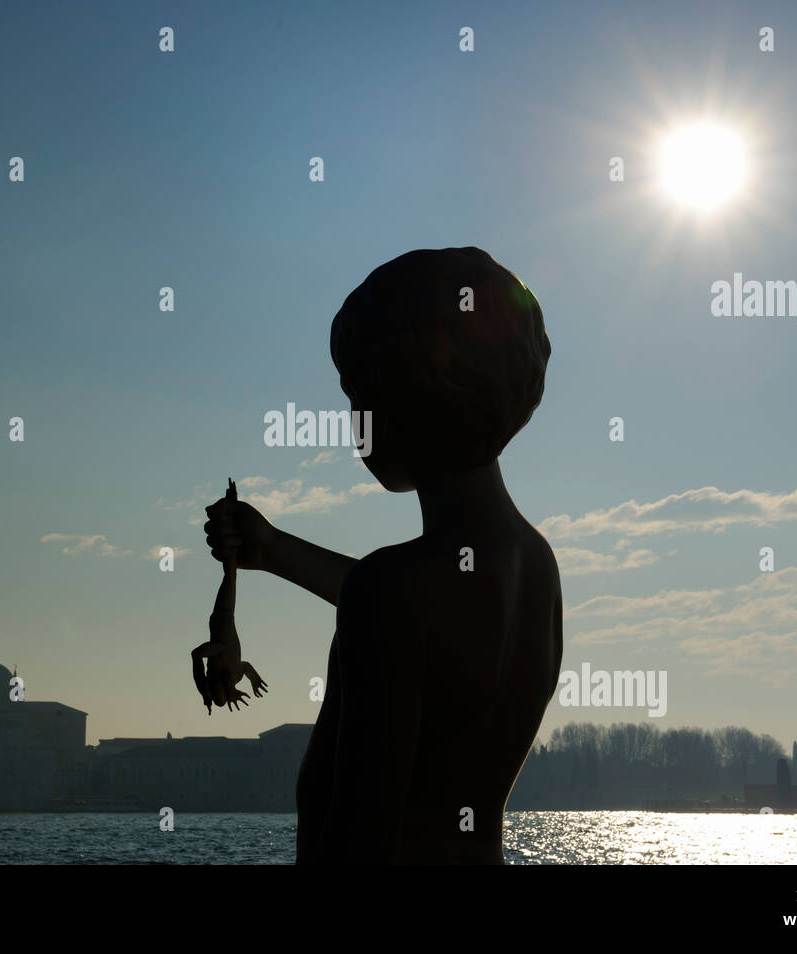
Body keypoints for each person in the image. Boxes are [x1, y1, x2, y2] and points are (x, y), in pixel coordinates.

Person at [204, 247, 562, 863]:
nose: (354, 423)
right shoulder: (533, 563)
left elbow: (360, 840)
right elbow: (430, 612)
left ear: (416, 387)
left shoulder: (393, 591)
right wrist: (276, 550)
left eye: (358, 394)